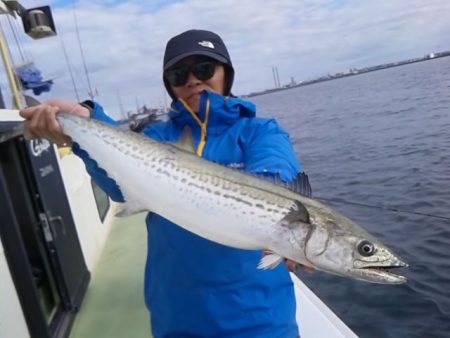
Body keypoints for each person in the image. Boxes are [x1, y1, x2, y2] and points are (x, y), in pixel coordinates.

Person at [20, 29, 307, 338]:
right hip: (177, 318)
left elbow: (275, 177)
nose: (193, 80)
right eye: (179, 74)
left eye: (205, 69)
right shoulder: (158, 137)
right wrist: (85, 119)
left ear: (227, 74)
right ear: (170, 86)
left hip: (259, 320)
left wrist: (292, 229)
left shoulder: (259, 131)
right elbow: (120, 186)